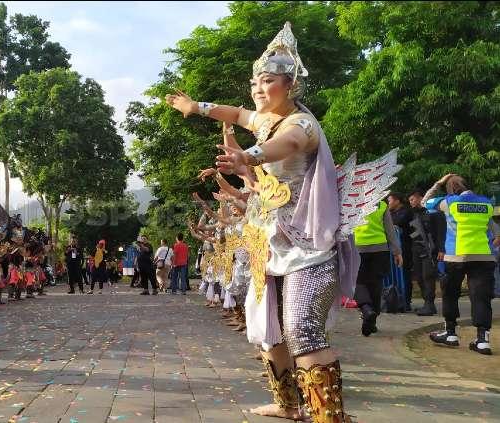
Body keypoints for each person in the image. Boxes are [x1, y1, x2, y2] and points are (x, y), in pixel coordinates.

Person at [166, 22, 399, 421]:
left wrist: (249, 157)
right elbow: (238, 113)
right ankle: (288, 404)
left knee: (302, 331)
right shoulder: (264, 119)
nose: (258, 90)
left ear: (290, 85)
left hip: (307, 244)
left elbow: (285, 146)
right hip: (266, 241)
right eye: (255, 82)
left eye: (268, 81)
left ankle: (329, 415)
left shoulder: (300, 125)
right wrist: (197, 108)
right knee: (267, 331)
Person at [423, 174, 498, 355]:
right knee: (481, 297)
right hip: (483, 256)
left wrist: (438, 183)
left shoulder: (449, 202)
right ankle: (482, 340)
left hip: (456, 256)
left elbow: (424, 202)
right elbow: (494, 229)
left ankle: (450, 334)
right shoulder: (486, 203)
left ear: (451, 189)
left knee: (450, 293)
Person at [354, 200, 403, 336]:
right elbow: (390, 229)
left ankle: (366, 309)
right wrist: (397, 252)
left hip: (358, 248)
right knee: (376, 284)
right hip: (380, 249)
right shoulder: (381, 205)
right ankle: (372, 320)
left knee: (358, 282)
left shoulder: (353, 201)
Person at [408, 190, 444, 316]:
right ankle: (427, 303)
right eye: (410, 200)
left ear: (420, 198)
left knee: (428, 276)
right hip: (416, 249)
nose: (411, 202)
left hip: (430, 249)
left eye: (413, 199)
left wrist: (441, 249)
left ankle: (429, 304)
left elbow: (440, 232)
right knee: (419, 276)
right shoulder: (412, 213)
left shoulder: (434, 213)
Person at [387, 192, 414, 311]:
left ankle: (406, 301)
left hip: (405, 248)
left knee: (405, 275)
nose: (388, 203)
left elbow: (397, 223)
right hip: (394, 249)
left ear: (397, 201)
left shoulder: (406, 212)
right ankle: (393, 300)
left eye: (390, 201)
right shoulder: (390, 213)